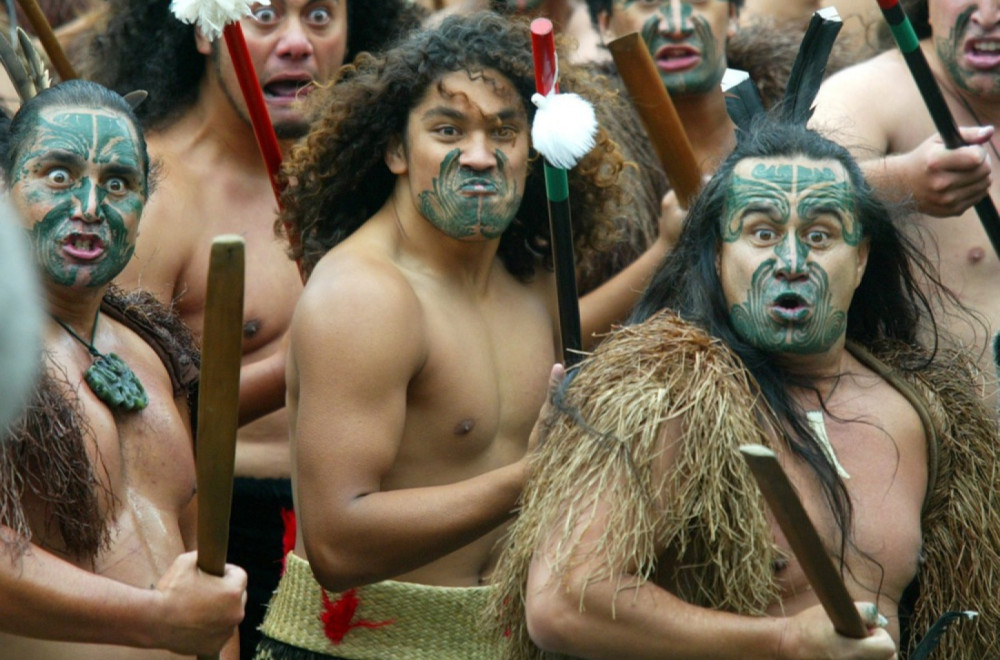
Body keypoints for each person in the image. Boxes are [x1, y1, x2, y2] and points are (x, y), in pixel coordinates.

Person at [489, 117, 1000, 659]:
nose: (792, 263)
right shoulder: (665, 398)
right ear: (716, 255)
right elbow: (562, 602)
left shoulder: (919, 415)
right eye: (761, 233)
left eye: (820, 235)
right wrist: (782, 641)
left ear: (862, 258)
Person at [253, 11, 679, 658]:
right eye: (448, 129)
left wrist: (670, 255)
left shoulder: (526, 272)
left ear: (534, 150)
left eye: (503, 131)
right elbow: (338, 544)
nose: (480, 156)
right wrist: (533, 477)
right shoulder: (364, 298)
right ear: (396, 150)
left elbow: (549, 341)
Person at [84, 1, 425, 654]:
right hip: (223, 535)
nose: (297, 41)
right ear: (209, 30)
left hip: (375, 533)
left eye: (321, 15)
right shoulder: (151, 194)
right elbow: (126, 423)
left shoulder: (382, 175)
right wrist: (313, 355)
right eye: (265, 14)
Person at [0, 79, 247, 659]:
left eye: (117, 184)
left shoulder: (153, 345)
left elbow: (200, 567)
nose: (88, 207)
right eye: (57, 176)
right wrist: (156, 620)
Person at [810, 0, 999, 406]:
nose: (986, 15)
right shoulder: (870, 92)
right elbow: (781, 191)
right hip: (943, 445)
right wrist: (899, 183)